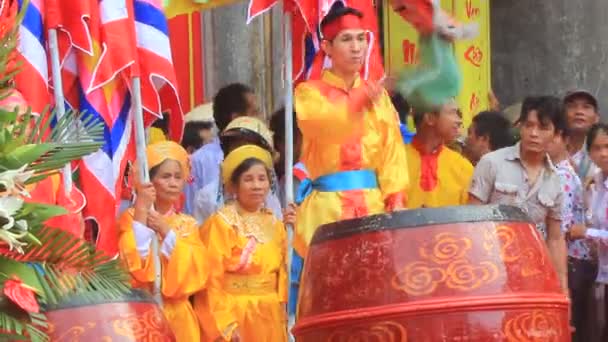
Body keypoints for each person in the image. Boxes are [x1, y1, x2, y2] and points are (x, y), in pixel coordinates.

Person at [294, 6, 408, 256]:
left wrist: (396, 199)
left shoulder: (378, 97)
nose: (356, 47)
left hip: (373, 207)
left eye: (361, 39)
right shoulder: (309, 93)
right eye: (346, 39)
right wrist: (360, 99)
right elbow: (329, 126)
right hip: (326, 210)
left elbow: (393, 153)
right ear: (326, 47)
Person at [194, 144, 296, 342]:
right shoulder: (221, 223)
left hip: (270, 314)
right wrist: (225, 325)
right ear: (234, 186)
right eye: (248, 179)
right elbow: (210, 279)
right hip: (236, 314)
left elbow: (287, 270)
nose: (257, 186)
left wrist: (294, 231)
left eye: (262, 179)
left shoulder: (275, 223)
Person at [468, 96, 568, 291]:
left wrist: (562, 287)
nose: (533, 133)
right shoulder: (491, 163)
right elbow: (472, 221)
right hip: (490, 269)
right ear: (520, 126)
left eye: (543, 128)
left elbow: (555, 239)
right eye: (528, 125)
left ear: (556, 134)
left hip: (532, 273)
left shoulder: (556, 180)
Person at [116, 141, 207, 341]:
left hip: (179, 317)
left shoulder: (188, 224)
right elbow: (131, 263)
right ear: (150, 181)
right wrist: (141, 213)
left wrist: (166, 231)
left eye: (178, 176)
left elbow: (198, 268)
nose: (173, 183)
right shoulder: (129, 218)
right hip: (141, 312)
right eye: (165, 176)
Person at [183, 84, 260, 216]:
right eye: (254, 113)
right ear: (236, 118)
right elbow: (190, 212)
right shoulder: (200, 160)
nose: (260, 119)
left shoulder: (260, 156)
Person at [547, 124, 593, 342]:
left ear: (564, 139)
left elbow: (561, 229)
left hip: (570, 260)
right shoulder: (555, 171)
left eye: (553, 134)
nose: (545, 138)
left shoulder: (562, 175)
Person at [192, 116, 282, 225]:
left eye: (249, 148)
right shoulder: (207, 198)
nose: (242, 155)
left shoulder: (268, 198)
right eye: (236, 147)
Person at [405, 98, 473, 208]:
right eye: (452, 113)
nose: (459, 121)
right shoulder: (395, 161)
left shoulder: (462, 166)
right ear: (430, 118)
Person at [564, 90, 600, 184]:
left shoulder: (603, 153)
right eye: (572, 106)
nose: (579, 111)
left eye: (586, 107)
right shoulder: (549, 149)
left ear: (596, 118)